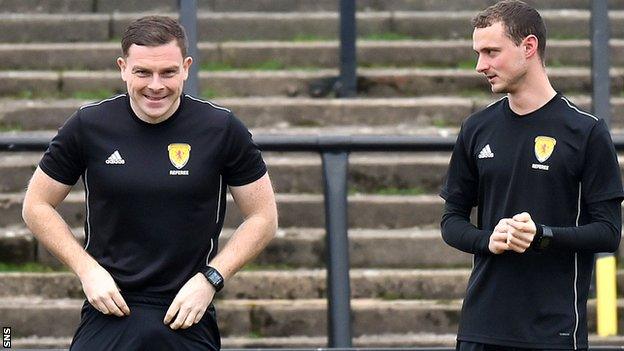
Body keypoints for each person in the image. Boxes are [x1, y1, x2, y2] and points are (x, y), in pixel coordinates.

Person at [21, 15, 277, 350]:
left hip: (187, 311)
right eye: (143, 72)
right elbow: (35, 205)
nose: (155, 85)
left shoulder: (221, 128)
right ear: (123, 68)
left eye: (168, 72)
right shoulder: (89, 125)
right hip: (110, 307)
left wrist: (212, 279)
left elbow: (263, 217)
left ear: (186, 67)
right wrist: (86, 270)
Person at [440, 1, 624, 350]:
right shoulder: (476, 128)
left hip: (551, 332)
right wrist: (486, 240)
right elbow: (451, 220)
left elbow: (608, 232)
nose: (481, 65)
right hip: (480, 329)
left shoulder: (585, 132)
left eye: (492, 52)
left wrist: (542, 236)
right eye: (478, 53)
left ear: (528, 47)